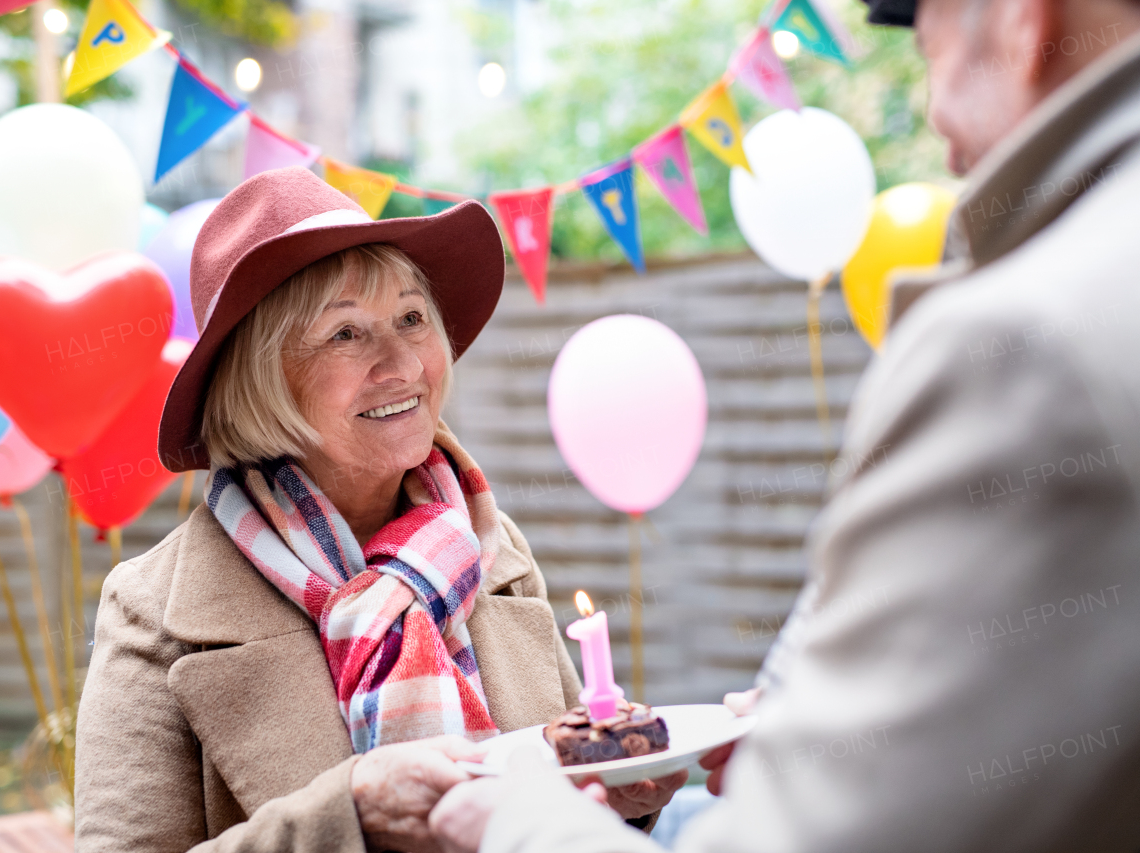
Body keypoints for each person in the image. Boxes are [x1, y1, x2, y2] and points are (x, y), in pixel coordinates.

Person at [428, 0, 1140, 848]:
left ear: (1023, 20)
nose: (940, 128)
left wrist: (522, 823)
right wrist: (851, 737)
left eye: (925, 42)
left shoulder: (1020, 346)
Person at [73, 168, 682, 853]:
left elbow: (553, 788)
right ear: (260, 376)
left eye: (412, 318)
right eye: (346, 334)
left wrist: (621, 799)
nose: (404, 362)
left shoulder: (488, 546)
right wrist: (350, 813)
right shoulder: (153, 608)